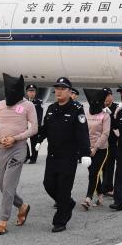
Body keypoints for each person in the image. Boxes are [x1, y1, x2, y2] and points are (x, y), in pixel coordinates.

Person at [37, 77, 91, 232]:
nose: (58, 92)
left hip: (69, 156)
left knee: (64, 188)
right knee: (48, 184)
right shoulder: (52, 108)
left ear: (69, 91)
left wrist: (85, 153)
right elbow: (46, 128)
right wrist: (39, 140)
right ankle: (67, 203)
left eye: (62, 89)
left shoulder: (76, 108)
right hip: (53, 155)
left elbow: (82, 132)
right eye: (57, 89)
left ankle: (60, 221)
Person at [0, 73, 38, 235]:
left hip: (18, 149)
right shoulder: (0, 104)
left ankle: (3, 221)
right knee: (4, 187)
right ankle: (22, 206)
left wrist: (15, 138)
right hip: (0, 149)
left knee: (8, 185)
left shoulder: (28, 106)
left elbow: (34, 128)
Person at [81, 89, 110, 209]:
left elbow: (105, 133)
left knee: (94, 173)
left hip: (101, 149)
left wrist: (95, 147)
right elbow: (82, 131)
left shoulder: (105, 115)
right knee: (93, 173)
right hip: (87, 148)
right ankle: (100, 194)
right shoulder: (85, 114)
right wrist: (85, 147)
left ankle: (88, 198)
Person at [99, 87, 119, 198]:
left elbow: (118, 123)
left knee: (111, 163)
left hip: (113, 140)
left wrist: (111, 114)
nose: (106, 98)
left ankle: (108, 187)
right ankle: (106, 185)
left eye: (108, 95)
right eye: (104, 96)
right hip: (102, 140)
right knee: (104, 165)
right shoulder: (100, 107)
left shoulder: (117, 107)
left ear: (111, 96)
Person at [25, 84, 43, 164]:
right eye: (30, 91)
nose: (31, 93)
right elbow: (19, 112)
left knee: (34, 142)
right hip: (24, 125)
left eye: (33, 91)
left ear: (35, 92)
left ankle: (33, 158)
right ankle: (26, 156)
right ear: (27, 92)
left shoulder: (39, 102)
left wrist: (37, 125)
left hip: (34, 125)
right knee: (23, 141)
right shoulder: (23, 102)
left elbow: (40, 115)